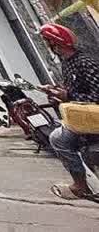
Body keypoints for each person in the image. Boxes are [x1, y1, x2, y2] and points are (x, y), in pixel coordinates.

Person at [39, 23, 99, 201]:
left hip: (91, 116)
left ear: (56, 43)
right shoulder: (67, 63)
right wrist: (56, 92)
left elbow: (96, 95)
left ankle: (80, 186)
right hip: (81, 115)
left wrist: (68, 95)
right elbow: (72, 90)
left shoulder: (85, 63)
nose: (48, 46)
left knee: (59, 139)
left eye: (48, 42)